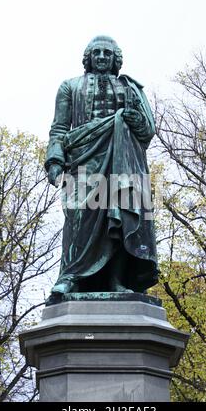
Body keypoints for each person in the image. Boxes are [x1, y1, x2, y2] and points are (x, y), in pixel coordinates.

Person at [45, 35, 158, 303]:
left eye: (108, 53)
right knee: (79, 219)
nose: (102, 57)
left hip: (124, 160)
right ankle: (70, 277)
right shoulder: (69, 86)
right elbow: (60, 128)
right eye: (96, 52)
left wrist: (134, 119)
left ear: (116, 59)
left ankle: (117, 280)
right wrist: (54, 160)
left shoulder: (130, 88)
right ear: (88, 57)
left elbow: (147, 131)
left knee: (120, 216)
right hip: (83, 159)